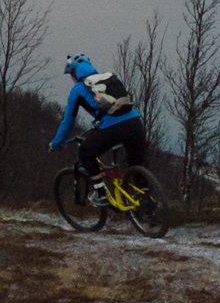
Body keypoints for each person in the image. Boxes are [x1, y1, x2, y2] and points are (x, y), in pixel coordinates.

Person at [48, 54, 147, 203]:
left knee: (85, 153)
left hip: (114, 126)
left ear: (74, 73)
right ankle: (147, 204)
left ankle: (101, 194)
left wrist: (55, 144)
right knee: (135, 163)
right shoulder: (107, 79)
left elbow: (68, 122)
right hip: (135, 122)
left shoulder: (78, 89)